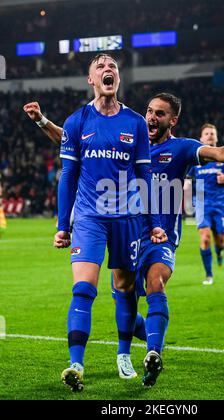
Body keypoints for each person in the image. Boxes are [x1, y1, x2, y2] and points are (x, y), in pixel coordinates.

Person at [24, 92, 224, 389]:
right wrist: (43, 122)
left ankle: (153, 352)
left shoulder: (182, 149)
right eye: (149, 111)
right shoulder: (130, 140)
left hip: (161, 236)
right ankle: (142, 342)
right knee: (124, 301)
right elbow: (74, 142)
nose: (151, 117)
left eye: (159, 113)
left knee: (156, 285)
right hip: (125, 231)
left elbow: (221, 153)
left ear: (172, 120)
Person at [24, 53, 167, 392]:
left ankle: (123, 354)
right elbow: (68, 175)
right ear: (91, 79)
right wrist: (63, 224)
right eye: (101, 67)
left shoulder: (134, 122)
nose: (108, 70)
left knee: (125, 289)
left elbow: (145, 176)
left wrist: (154, 222)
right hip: (89, 218)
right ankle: (76, 363)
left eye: (113, 67)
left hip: (127, 218)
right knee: (84, 288)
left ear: (118, 78)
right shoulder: (77, 122)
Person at [185, 124, 224, 285]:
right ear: (201, 138)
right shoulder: (196, 160)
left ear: (216, 138)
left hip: (220, 204)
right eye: (207, 133)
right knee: (205, 239)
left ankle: (220, 252)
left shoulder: (223, 157)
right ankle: (209, 275)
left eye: (212, 133)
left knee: (220, 241)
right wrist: (186, 187)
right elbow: (188, 178)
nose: (210, 136)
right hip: (202, 203)